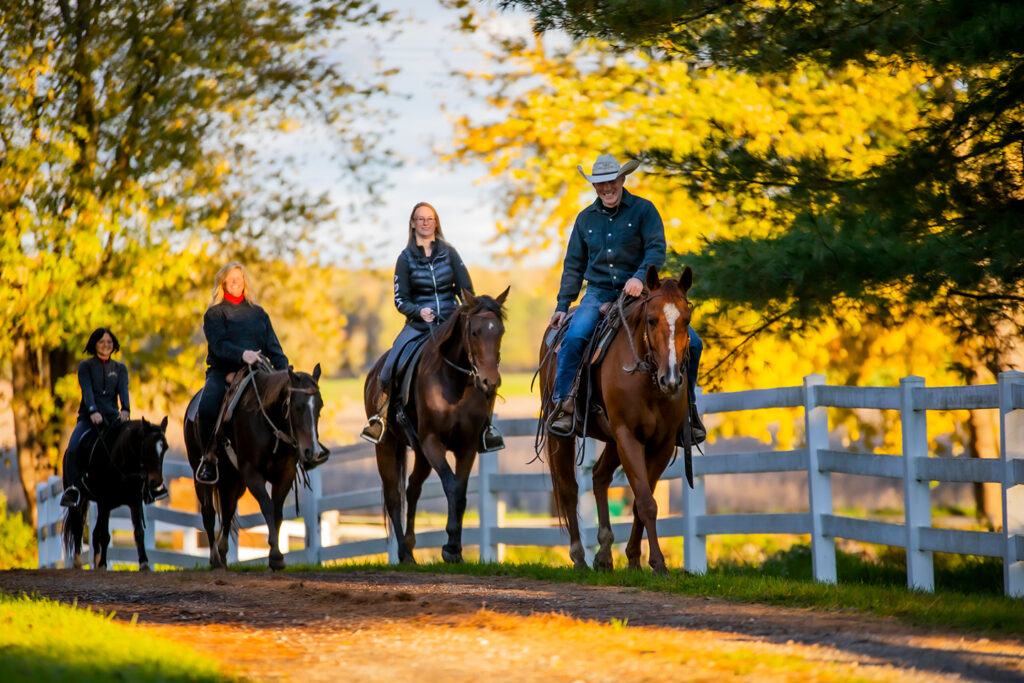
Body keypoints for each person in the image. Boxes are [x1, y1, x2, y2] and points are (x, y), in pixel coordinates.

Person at [547, 153, 705, 443]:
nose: (606, 188)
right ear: (594, 186)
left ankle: (689, 411)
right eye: (600, 184)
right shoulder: (585, 219)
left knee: (693, 343)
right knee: (575, 336)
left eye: (611, 182)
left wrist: (639, 275)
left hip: (641, 293)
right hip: (597, 293)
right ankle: (564, 404)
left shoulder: (644, 211)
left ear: (622, 179)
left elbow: (656, 249)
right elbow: (573, 266)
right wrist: (561, 305)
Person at [361, 201, 505, 452]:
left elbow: (466, 293)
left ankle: (486, 427)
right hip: (418, 325)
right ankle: (380, 419)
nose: (425, 223)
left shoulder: (450, 253)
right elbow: (400, 300)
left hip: (451, 322)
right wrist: (419, 311)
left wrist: (468, 316)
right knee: (389, 366)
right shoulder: (404, 258)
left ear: (436, 223)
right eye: (420, 219)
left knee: (485, 366)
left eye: (430, 219)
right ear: (413, 223)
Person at [194, 261, 289, 484]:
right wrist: (242, 354)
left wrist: (285, 373)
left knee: (289, 403)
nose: (236, 282)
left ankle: (291, 453)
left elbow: (274, 349)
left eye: (240, 277)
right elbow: (218, 345)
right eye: (231, 278)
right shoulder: (214, 314)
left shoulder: (259, 314)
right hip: (222, 372)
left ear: (245, 281)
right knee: (207, 407)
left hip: (257, 371)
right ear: (223, 283)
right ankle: (208, 459)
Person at [60, 328, 167, 505]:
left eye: (109, 342)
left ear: (113, 345)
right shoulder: (85, 366)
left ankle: (147, 490)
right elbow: (87, 391)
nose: (106, 345)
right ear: (94, 344)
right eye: (102, 342)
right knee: (72, 448)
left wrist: (126, 409)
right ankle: (73, 490)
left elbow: (123, 391)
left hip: (113, 419)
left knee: (137, 445)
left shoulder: (120, 368)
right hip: (89, 420)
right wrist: (93, 410)